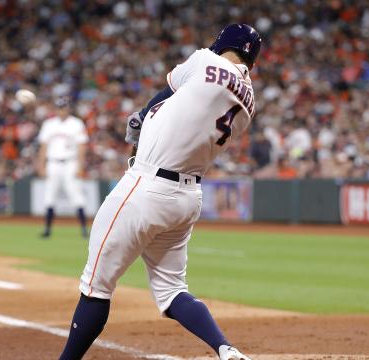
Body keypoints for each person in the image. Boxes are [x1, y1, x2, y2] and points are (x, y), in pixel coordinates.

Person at [58, 24, 262, 360]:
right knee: (172, 291)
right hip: (187, 198)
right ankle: (226, 349)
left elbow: (168, 90)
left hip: (146, 186)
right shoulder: (249, 102)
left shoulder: (204, 61)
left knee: (95, 288)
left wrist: (140, 116)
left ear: (223, 43)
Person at [36, 96, 89, 239]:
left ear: (69, 108)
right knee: (49, 196)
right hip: (53, 163)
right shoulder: (49, 124)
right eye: (59, 108)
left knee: (76, 195)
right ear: (56, 109)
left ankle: (84, 229)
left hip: (70, 163)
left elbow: (82, 146)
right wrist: (41, 165)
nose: (62, 110)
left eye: (64, 107)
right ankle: (47, 230)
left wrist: (80, 166)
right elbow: (44, 146)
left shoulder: (76, 123)